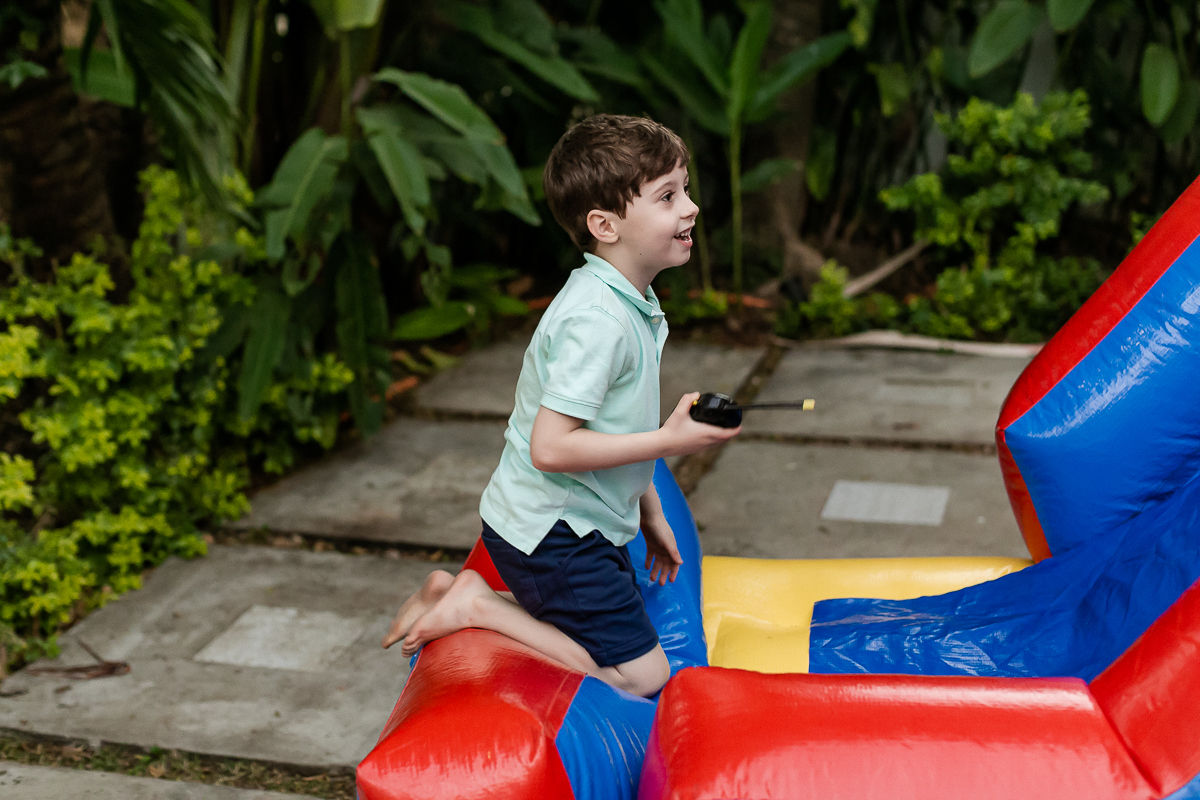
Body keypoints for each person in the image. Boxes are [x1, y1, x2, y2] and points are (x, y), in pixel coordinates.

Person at [381, 114, 740, 698]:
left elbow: (611, 424)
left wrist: (648, 509)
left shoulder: (630, 299)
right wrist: (671, 442)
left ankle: (453, 592)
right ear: (605, 224)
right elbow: (549, 447)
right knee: (642, 677)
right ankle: (478, 605)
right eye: (668, 196)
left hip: (579, 525)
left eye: (686, 189)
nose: (690, 208)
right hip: (554, 533)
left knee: (607, 639)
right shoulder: (596, 320)